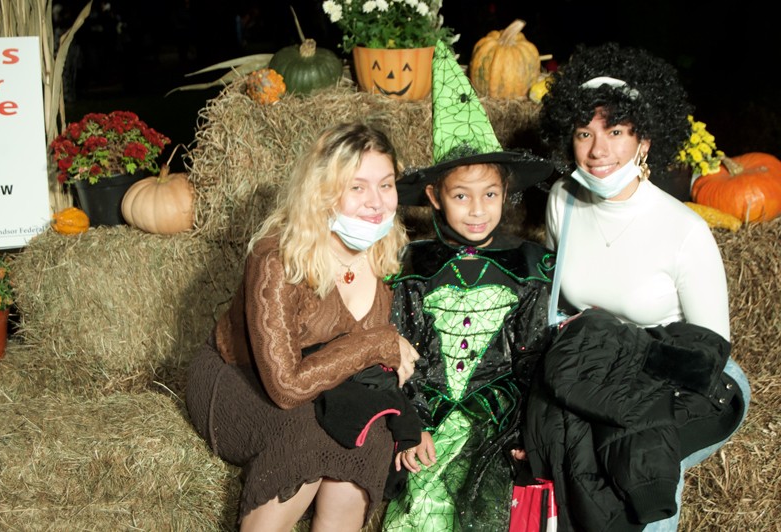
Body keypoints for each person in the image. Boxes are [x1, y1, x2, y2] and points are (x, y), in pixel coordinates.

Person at [527, 42, 751, 531]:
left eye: (615, 131)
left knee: (639, 456)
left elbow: (708, 352)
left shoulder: (684, 230)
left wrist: (624, 385)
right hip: (593, 362)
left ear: (644, 140)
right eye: (584, 132)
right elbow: (554, 300)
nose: (597, 150)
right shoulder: (562, 200)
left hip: (678, 369)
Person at [184, 121, 422, 532]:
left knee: (367, 437)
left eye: (386, 185)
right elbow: (287, 387)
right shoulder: (277, 257)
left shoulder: (386, 250)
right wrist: (378, 343)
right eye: (357, 187)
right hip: (240, 378)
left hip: (332, 387)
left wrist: (410, 421)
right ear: (323, 192)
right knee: (307, 433)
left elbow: (375, 370)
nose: (377, 202)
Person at [381, 40, 556, 531]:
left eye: (490, 195)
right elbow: (400, 350)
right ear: (435, 196)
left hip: (498, 421)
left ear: (506, 193)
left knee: (488, 507)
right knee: (423, 508)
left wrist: (527, 432)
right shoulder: (412, 266)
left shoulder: (530, 266)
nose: (478, 210)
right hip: (427, 418)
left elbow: (533, 359)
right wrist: (412, 423)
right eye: (461, 196)